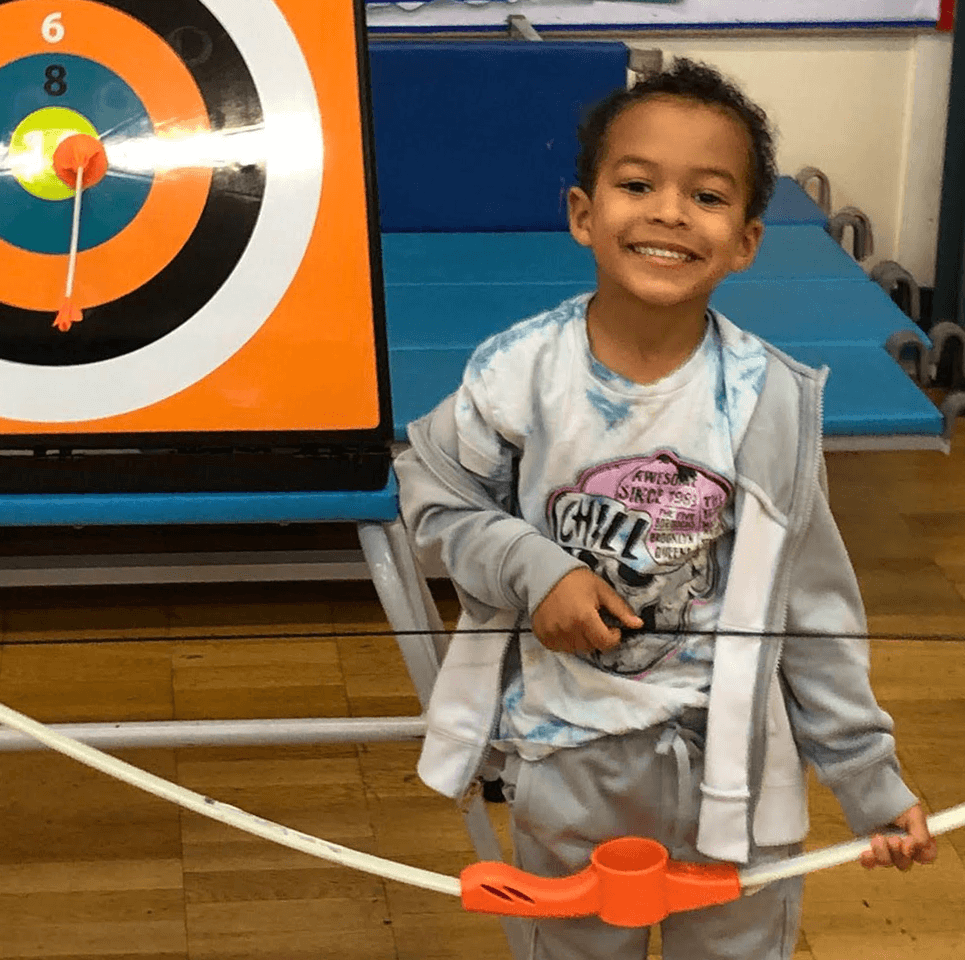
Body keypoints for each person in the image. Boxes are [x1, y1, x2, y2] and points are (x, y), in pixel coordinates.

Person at [393, 58, 936, 959]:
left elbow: (814, 609)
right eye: (637, 184)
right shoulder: (515, 374)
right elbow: (433, 496)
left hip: (735, 775)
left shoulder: (771, 400)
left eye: (708, 197)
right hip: (567, 757)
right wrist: (538, 572)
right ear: (582, 213)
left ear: (748, 240)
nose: (669, 213)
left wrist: (868, 779)